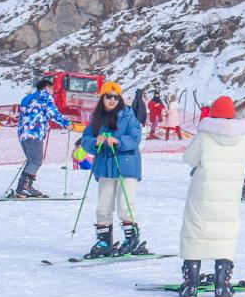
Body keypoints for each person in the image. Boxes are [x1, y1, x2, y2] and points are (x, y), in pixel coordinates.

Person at [178, 95, 245, 297]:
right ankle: (222, 285)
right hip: (229, 194)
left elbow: (189, 158)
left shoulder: (204, 136)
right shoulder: (243, 138)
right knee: (226, 234)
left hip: (202, 192)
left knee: (195, 231)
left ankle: (190, 285)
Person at [78, 82, 146, 257]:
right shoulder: (96, 118)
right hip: (105, 167)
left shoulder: (128, 116)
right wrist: (95, 142)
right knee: (103, 206)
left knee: (125, 205)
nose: (112, 100)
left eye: (116, 97)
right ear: (102, 98)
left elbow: (135, 137)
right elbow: (86, 138)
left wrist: (119, 141)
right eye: (109, 96)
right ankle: (104, 242)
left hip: (126, 165)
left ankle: (131, 239)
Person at [9, 77, 71, 198]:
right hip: (34, 132)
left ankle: (25, 187)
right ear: (47, 88)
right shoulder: (45, 96)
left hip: (23, 133)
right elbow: (52, 113)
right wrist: (66, 123)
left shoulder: (28, 98)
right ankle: (23, 189)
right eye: (52, 89)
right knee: (36, 161)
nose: (53, 91)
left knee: (32, 160)